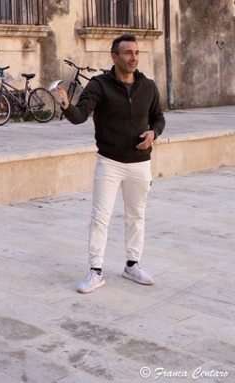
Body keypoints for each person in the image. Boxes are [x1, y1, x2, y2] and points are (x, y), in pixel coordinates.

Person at [53, 34, 165, 294]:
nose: (133, 58)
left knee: (136, 215)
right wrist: (67, 106)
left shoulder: (148, 86)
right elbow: (80, 115)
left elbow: (158, 118)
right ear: (114, 56)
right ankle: (95, 271)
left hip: (140, 164)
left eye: (136, 53)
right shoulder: (99, 85)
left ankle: (132, 265)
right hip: (109, 162)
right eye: (128, 53)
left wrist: (153, 133)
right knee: (100, 217)